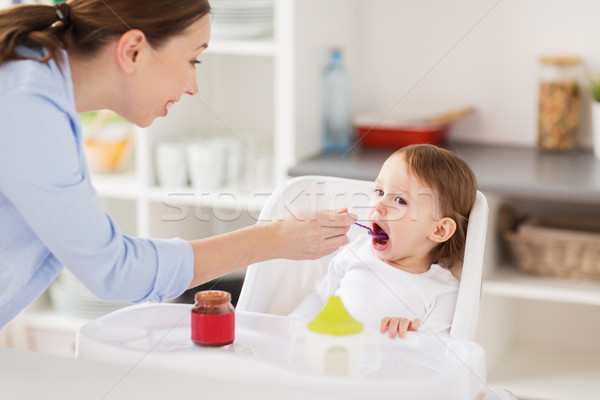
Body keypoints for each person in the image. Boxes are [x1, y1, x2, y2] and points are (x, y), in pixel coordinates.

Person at [0, 0, 355, 329]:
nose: (193, 86)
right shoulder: (28, 107)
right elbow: (113, 270)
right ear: (133, 50)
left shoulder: (29, 82)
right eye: (193, 60)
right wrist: (273, 238)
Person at [290, 144, 477, 338]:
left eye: (400, 201)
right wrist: (292, 326)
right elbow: (321, 298)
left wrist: (410, 337)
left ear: (438, 229)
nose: (378, 206)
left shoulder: (443, 293)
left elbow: (438, 358)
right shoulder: (356, 251)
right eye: (379, 192)